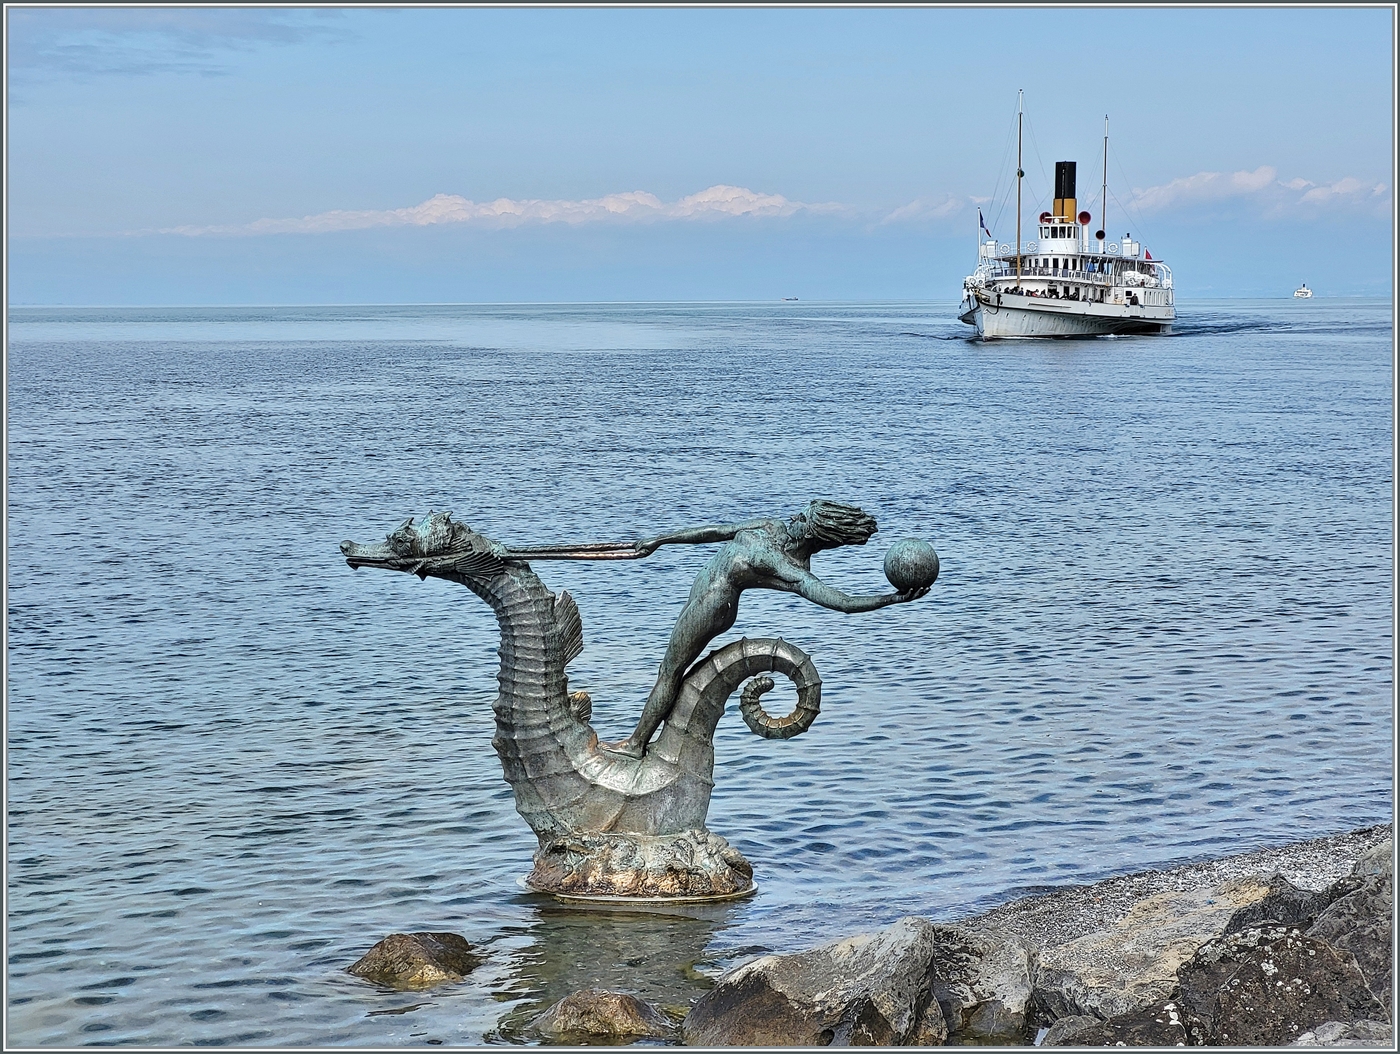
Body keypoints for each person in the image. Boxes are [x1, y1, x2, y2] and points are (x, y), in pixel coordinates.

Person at [601, 500, 929, 759]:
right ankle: (648, 740)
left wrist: (890, 599)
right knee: (673, 672)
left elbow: (840, 601)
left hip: (714, 607)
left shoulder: (791, 569)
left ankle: (635, 744)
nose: (793, 517)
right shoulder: (769, 526)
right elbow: (716, 531)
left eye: (802, 518)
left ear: (813, 534)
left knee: (669, 673)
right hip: (699, 597)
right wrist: (662, 540)